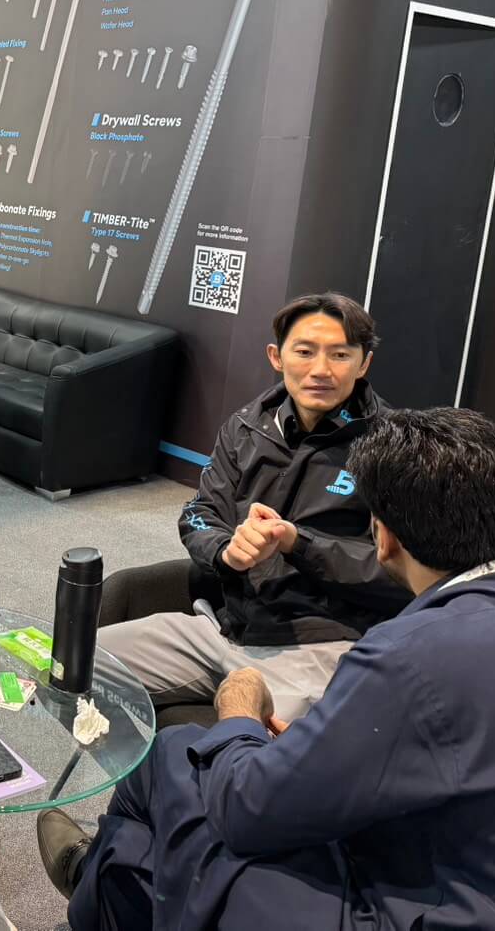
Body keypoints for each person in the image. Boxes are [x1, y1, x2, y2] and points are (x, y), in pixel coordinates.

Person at [40, 407, 495, 930]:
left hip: (433, 905)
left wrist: (239, 713)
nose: (320, 368)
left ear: (384, 536)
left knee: (175, 759)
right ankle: (108, 879)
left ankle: (96, 879)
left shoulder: (410, 654)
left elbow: (248, 811)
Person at [99, 293, 410, 721]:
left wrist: (299, 545)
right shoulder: (246, 426)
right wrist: (226, 551)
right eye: (305, 351)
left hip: (318, 648)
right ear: (277, 357)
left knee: (260, 752)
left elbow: (404, 573)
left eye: (340, 355)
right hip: (222, 629)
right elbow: (199, 512)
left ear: (363, 364)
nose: (321, 369)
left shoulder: (396, 449)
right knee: (76, 661)